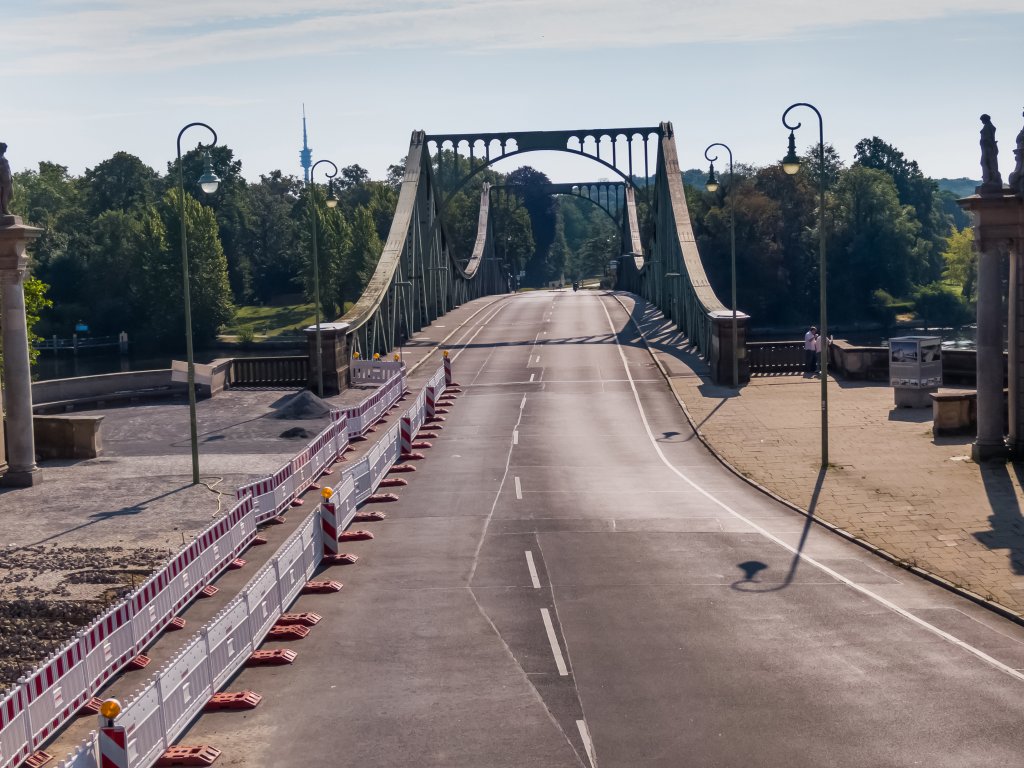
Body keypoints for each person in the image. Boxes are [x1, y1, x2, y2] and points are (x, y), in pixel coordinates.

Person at [0, 143, 13, 216]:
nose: (6, 149)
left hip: (8, 180)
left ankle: (5, 209)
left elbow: (8, 169)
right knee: (3, 196)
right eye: (4, 148)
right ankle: (3, 210)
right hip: (3, 180)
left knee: (10, 195)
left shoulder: (3, 157)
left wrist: (11, 177)